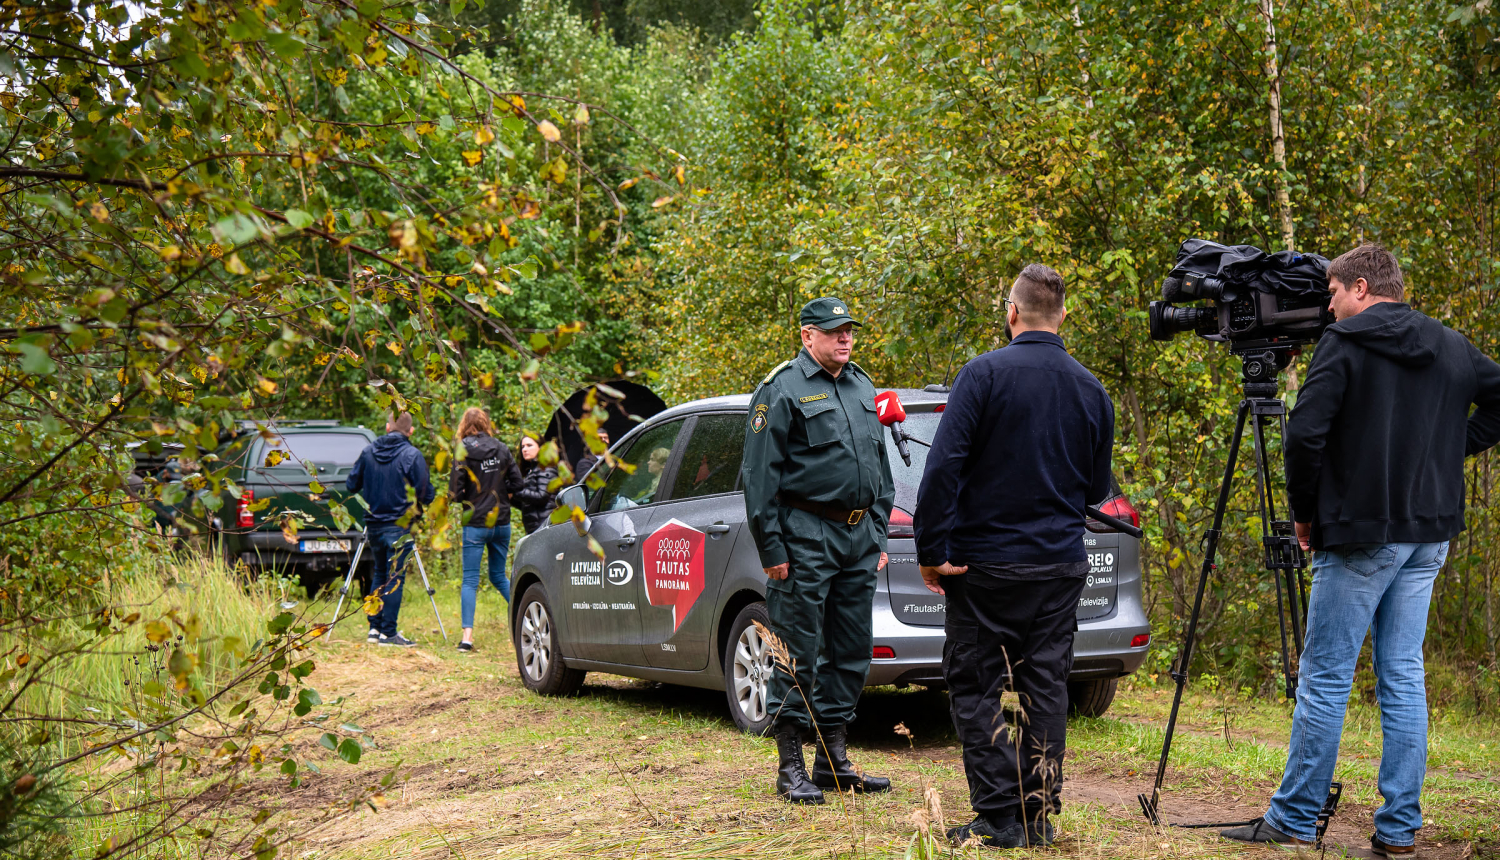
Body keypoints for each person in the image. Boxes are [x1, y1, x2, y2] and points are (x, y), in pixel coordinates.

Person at [1221, 244, 1500, 856]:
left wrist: (1304, 516)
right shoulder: (1452, 345)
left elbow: (1304, 439)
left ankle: (1294, 818)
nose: (1327, 304)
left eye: (1332, 292)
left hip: (1361, 533)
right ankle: (1399, 829)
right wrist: (1445, 455)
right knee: (1403, 675)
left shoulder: (1343, 345)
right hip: (1427, 532)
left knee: (1326, 677)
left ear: (1362, 288)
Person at [913, 264, 1114, 849]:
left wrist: (931, 551)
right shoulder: (1091, 389)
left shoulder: (982, 376)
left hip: (986, 566)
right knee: (1047, 686)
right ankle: (1038, 817)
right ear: (1063, 316)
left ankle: (999, 815)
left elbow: (943, 467)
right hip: (1058, 565)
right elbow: (1096, 489)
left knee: (975, 686)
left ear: (1012, 312)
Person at [741, 296, 895, 805]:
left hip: (857, 538)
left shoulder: (861, 384)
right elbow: (759, 479)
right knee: (797, 650)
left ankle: (833, 761)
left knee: (851, 650)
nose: (845, 338)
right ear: (807, 336)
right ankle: (791, 767)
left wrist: (876, 531)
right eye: (833, 331)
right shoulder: (781, 389)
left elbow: (879, 466)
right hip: (805, 535)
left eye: (849, 330)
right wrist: (772, 548)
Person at [346, 412, 434, 647]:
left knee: (380, 574)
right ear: (410, 431)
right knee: (395, 577)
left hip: (374, 523)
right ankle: (389, 633)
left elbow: (351, 484)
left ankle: (374, 628)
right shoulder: (412, 455)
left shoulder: (368, 452)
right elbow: (426, 494)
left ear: (387, 427)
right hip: (400, 524)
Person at [448, 406, 523, 653]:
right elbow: (518, 482)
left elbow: (455, 494)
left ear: (464, 426)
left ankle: (467, 639)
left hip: (476, 524)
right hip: (500, 522)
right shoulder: (501, 448)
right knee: (499, 576)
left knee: (470, 580)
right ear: (485, 423)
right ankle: (527, 618)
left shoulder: (462, 452)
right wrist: (502, 493)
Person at [512, 434, 557, 535]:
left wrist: (517, 491)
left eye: (529, 445)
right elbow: (529, 503)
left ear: (541, 447)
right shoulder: (532, 470)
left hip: (545, 526)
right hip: (536, 526)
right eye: (523, 446)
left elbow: (542, 496)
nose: (524, 449)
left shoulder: (546, 468)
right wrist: (512, 497)